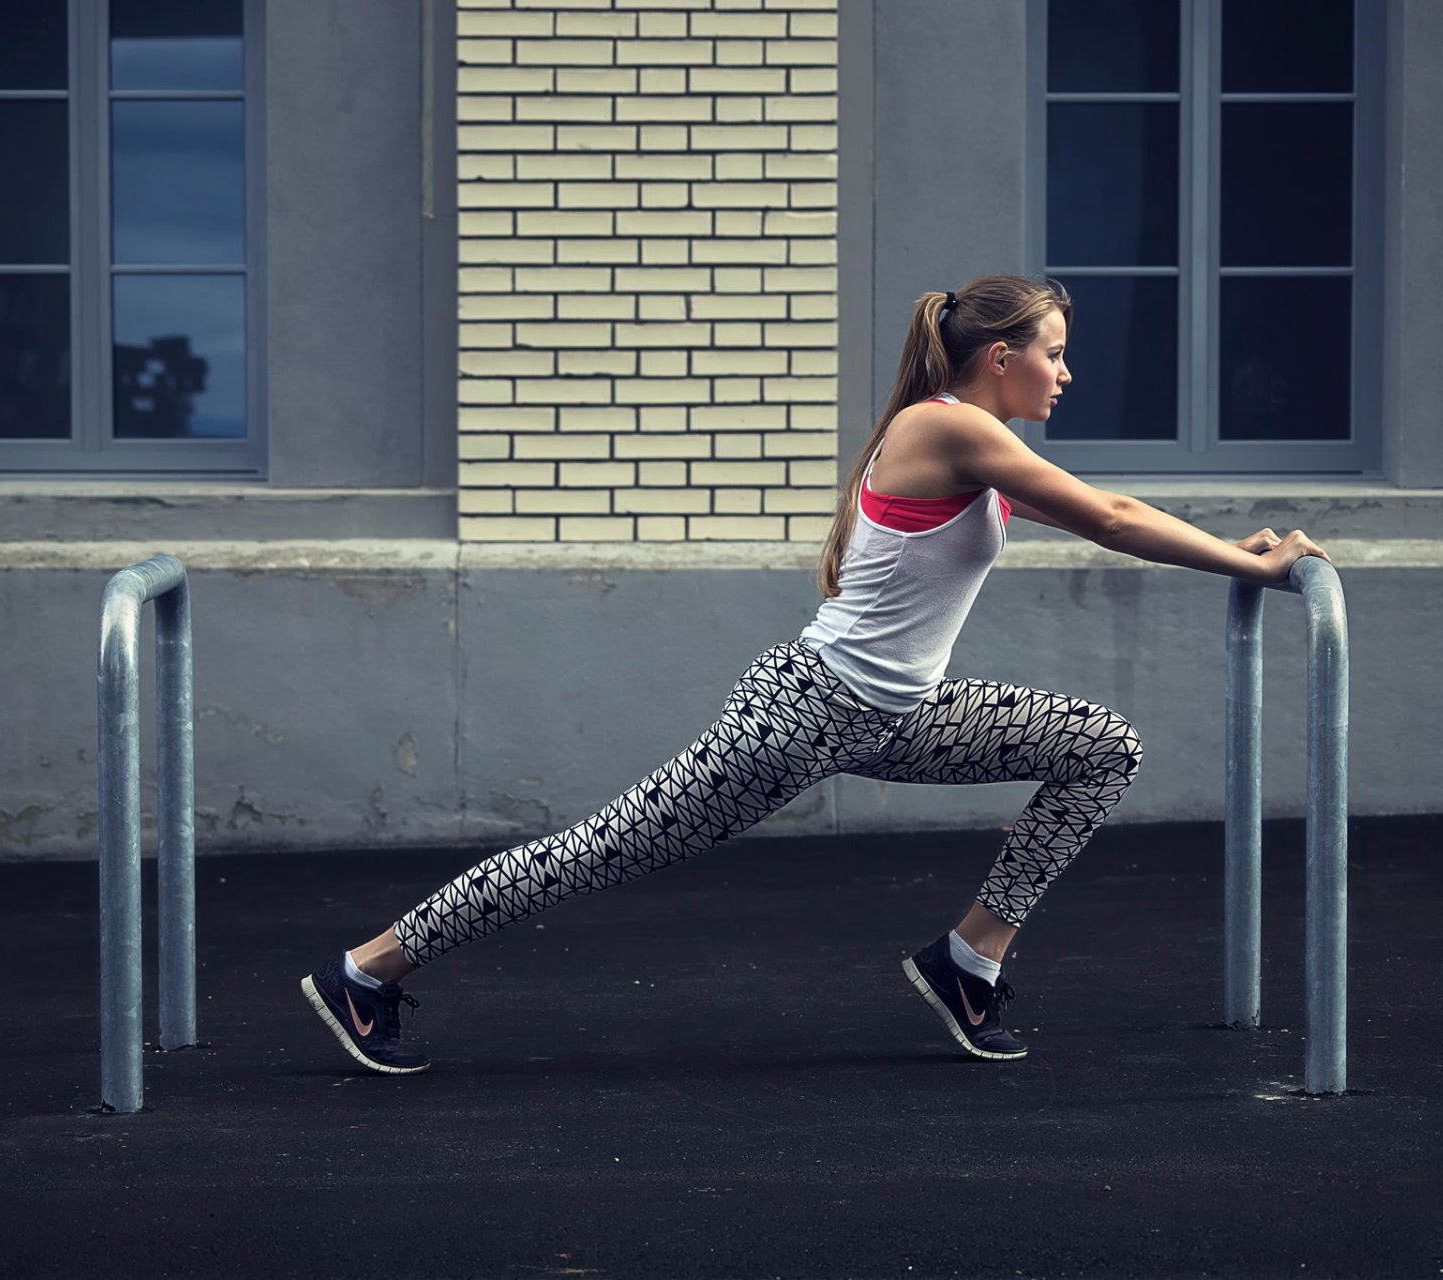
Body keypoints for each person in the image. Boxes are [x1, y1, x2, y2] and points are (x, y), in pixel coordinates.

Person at [301, 273, 1330, 1074]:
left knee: (1100, 747)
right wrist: (1251, 567)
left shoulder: (978, 441)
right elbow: (1109, 517)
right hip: (801, 714)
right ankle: (365, 970)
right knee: (601, 851)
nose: (1066, 373)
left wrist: (1231, 551)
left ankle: (969, 958)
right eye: (1055, 354)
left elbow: (1110, 513)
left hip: (899, 713)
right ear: (1002, 356)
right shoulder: (946, 425)